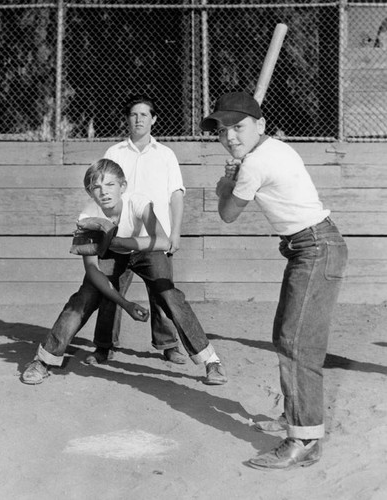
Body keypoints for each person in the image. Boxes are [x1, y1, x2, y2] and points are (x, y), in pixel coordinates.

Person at [200, 91, 347, 469]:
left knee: (296, 344)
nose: (230, 137)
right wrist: (237, 173)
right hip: (309, 246)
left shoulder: (254, 164)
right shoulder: (272, 149)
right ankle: (297, 415)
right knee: (286, 335)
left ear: (260, 125)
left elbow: (228, 214)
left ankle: (303, 440)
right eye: (222, 130)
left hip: (314, 247)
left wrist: (225, 186)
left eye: (239, 127)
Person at [21, 159, 227, 386]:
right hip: (112, 255)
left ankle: (212, 361)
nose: (104, 192)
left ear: (123, 186)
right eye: (96, 187)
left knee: (168, 295)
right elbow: (92, 270)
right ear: (90, 192)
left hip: (145, 249)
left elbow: (161, 241)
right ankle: (43, 360)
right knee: (84, 298)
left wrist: (119, 240)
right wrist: (126, 304)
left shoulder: (138, 202)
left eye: (110, 185)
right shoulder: (88, 218)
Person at [87, 94, 186, 366]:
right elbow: (102, 191)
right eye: (133, 114)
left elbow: (176, 195)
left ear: (154, 119)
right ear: (127, 119)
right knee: (111, 290)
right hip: (119, 237)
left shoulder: (166, 154)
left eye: (144, 114)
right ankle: (103, 346)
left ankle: (167, 344)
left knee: (162, 291)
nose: (139, 119)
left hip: (153, 240)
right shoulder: (114, 153)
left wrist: (174, 234)